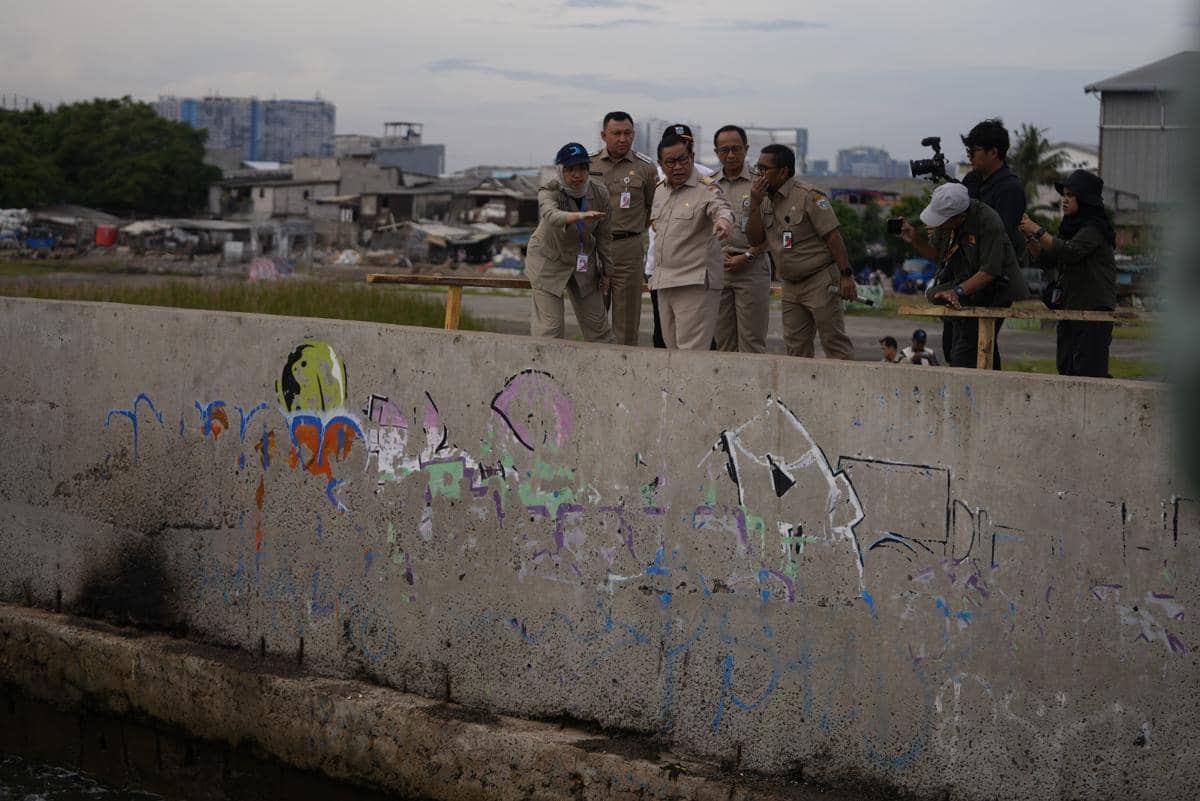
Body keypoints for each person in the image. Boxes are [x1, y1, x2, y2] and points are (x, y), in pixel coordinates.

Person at [746, 144, 856, 359]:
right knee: (796, 349)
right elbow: (754, 239)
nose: (759, 175)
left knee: (833, 341)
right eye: (757, 169)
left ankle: (845, 390)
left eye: (764, 169)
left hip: (820, 280)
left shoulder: (808, 196)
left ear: (783, 172)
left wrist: (846, 275)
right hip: (790, 285)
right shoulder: (762, 199)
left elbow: (833, 237)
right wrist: (754, 205)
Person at [902, 182, 1027, 369]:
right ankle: (992, 379)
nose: (938, 224)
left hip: (996, 288)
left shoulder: (988, 221)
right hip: (968, 288)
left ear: (959, 217)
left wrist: (956, 292)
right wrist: (916, 241)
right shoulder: (947, 224)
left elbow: (990, 271)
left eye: (942, 220)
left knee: (965, 352)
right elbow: (937, 255)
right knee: (937, 302)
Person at [1018, 170, 1118, 377]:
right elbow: (1049, 260)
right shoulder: (1070, 228)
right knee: (1066, 368)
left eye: (1071, 195)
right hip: (1070, 307)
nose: (1064, 200)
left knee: (1090, 374)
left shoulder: (1094, 228)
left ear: (1085, 199)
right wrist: (1030, 238)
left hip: (1093, 312)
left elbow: (1069, 252)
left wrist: (1037, 229)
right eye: (1064, 194)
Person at [648, 128, 734, 349]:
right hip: (664, 281)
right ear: (661, 163)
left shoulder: (707, 188)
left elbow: (722, 209)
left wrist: (723, 223)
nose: (678, 167)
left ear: (692, 158)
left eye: (683, 160)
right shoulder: (660, 190)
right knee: (671, 352)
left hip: (695, 283)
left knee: (691, 356)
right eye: (670, 162)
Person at [524, 142, 616, 343]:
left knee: (599, 329)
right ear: (560, 170)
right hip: (549, 261)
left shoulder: (599, 193)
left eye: (583, 168)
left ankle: (605, 371)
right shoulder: (550, 189)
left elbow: (604, 235)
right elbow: (551, 215)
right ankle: (544, 372)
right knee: (550, 330)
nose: (577, 175)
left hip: (583, 261)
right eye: (571, 169)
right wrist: (579, 216)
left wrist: (608, 271)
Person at [590, 112, 659, 346]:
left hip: (628, 248)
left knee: (627, 320)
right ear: (603, 135)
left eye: (627, 133)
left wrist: (632, 228)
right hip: (594, 248)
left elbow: (653, 208)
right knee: (594, 317)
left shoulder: (646, 168)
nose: (622, 139)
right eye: (616, 133)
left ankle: (626, 373)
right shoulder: (589, 165)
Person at [711, 125, 771, 353]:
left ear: (746, 149)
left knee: (752, 343)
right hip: (719, 269)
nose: (731, 155)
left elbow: (774, 230)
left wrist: (748, 255)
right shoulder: (708, 185)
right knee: (723, 343)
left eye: (736, 148)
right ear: (716, 152)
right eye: (724, 150)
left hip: (752, 269)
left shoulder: (762, 183)